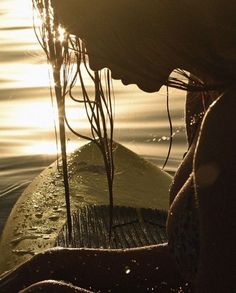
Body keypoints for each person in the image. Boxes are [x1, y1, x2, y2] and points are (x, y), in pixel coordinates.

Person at [1, 0, 236, 292]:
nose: (95, 63)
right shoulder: (204, 96)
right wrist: (55, 263)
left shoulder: (227, 122)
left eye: (92, 38)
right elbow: (192, 262)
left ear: (135, 21)